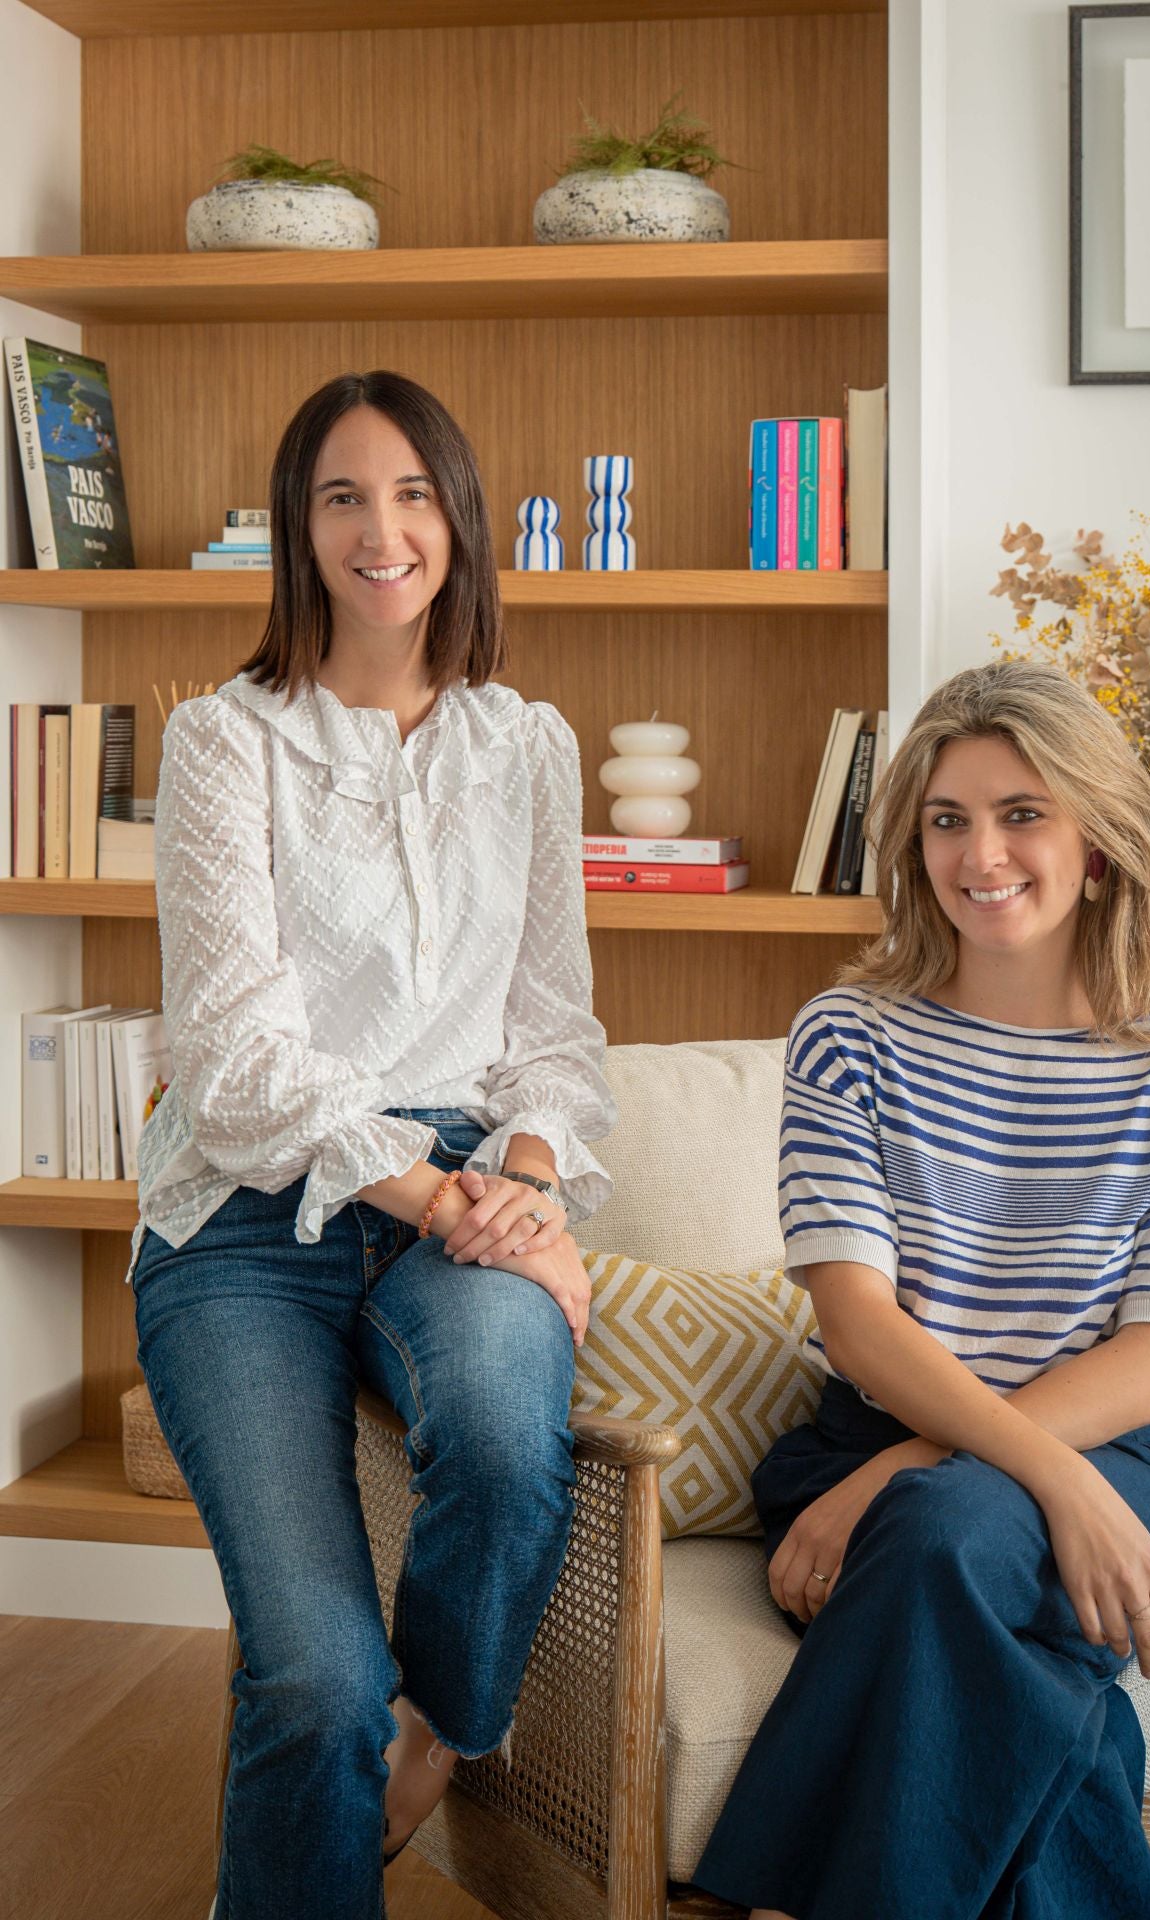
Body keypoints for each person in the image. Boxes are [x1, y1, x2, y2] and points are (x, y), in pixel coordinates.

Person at [128, 370, 615, 1920]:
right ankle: (351, 1757)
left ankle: (441, 1728)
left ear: (459, 523)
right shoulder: (223, 743)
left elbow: (555, 1024)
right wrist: (446, 1199)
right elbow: (234, 1051)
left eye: (411, 494)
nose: (380, 529)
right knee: (314, 1682)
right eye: (342, 496)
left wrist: (525, 1190)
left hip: (466, 1179)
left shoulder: (527, 745)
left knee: (501, 1438)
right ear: (299, 527)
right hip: (245, 1219)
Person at [693, 659, 1150, 1920]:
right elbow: (854, 1321)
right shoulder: (848, 1036)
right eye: (946, 819)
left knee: (942, 1532)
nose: (978, 852)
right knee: (1013, 1642)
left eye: (1020, 814)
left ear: (1098, 844)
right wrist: (996, 1474)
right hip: (887, 1446)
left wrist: (917, 1477)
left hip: (1111, 1464)